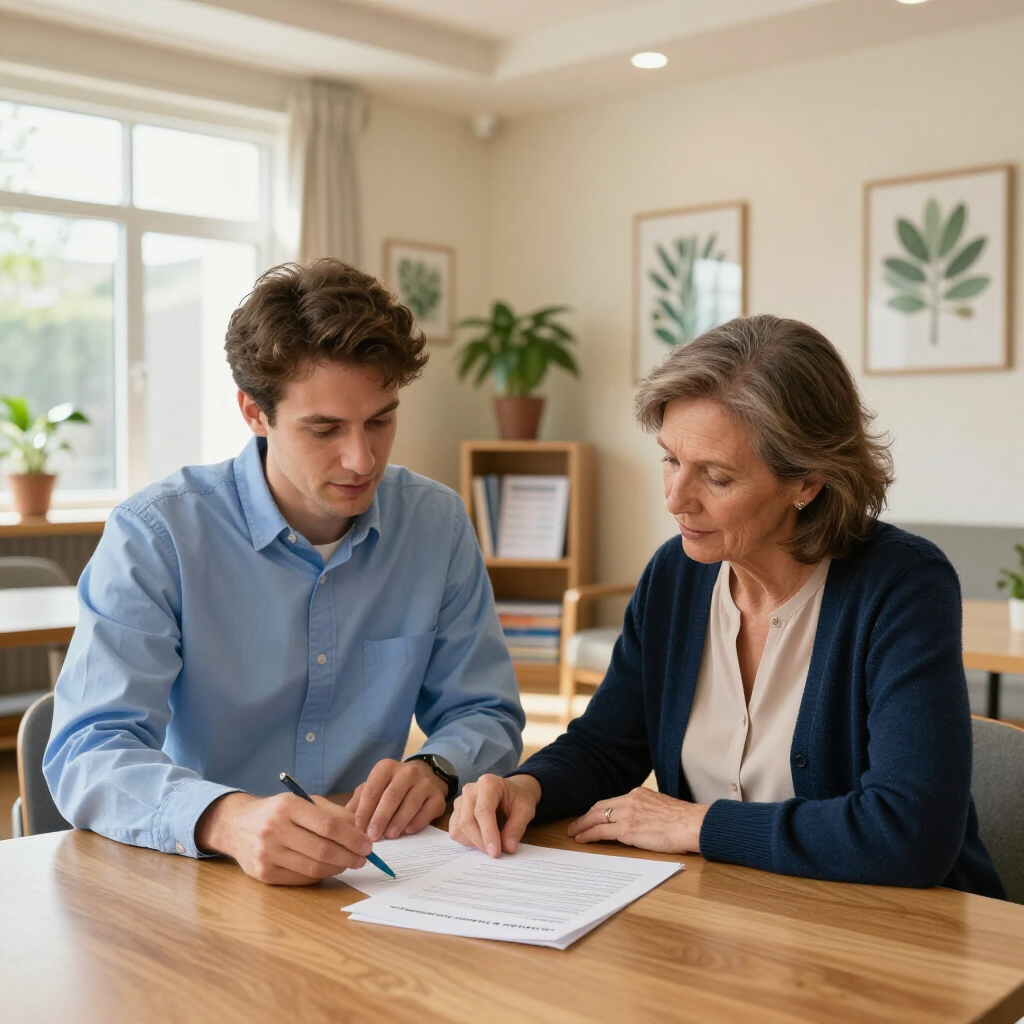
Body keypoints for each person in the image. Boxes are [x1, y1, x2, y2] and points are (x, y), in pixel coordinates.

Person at [450, 314, 1004, 899]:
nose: (674, 499)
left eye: (715, 477)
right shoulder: (676, 575)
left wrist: (695, 824)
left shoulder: (902, 585)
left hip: (896, 934)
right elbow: (606, 745)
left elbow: (909, 833)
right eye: (669, 459)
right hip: (726, 920)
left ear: (807, 482)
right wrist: (528, 787)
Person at [45, 258, 524, 885]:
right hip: (200, 877)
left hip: (376, 880)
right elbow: (89, 751)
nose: (362, 458)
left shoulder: (436, 524)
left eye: (381, 420)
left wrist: (437, 768)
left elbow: (486, 711)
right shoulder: (157, 535)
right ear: (254, 412)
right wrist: (224, 818)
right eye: (324, 429)